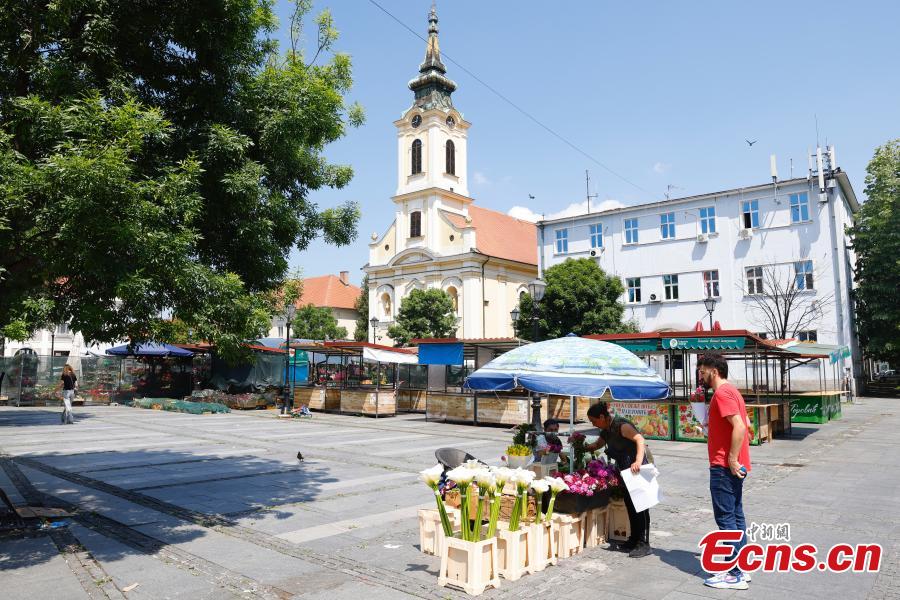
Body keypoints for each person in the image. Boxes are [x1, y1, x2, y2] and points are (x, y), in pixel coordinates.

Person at [697, 354, 751, 590]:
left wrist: (730, 458)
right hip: (735, 465)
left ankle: (734, 573)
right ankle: (741, 566)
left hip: (724, 466)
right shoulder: (733, 392)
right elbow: (746, 423)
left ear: (714, 371)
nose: (701, 375)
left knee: (726, 519)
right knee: (736, 516)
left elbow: (740, 426)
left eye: (703, 371)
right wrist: (711, 428)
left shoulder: (722, 393)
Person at [584, 402, 652, 558]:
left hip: (636, 468)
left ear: (602, 416)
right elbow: (597, 445)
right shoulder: (606, 430)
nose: (593, 424)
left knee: (640, 506)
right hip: (625, 469)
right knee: (630, 504)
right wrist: (580, 445)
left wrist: (638, 461)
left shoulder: (621, 426)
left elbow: (640, 440)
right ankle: (634, 539)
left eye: (594, 421)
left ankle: (644, 543)